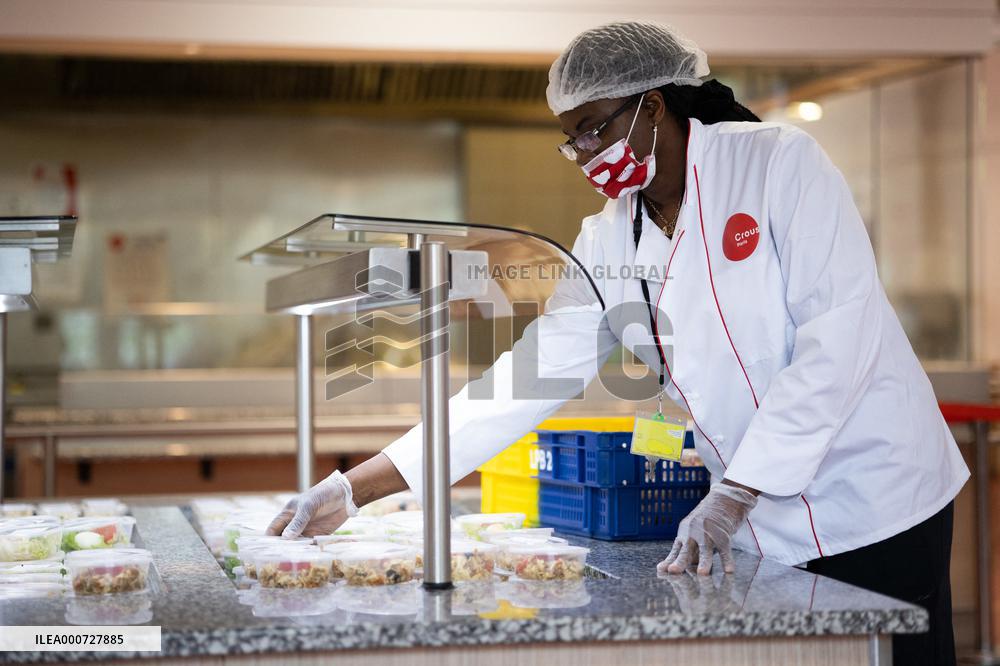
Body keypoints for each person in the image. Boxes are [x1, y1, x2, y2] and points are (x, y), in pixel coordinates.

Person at [267, 21, 968, 665]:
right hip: (763, 526)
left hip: (874, 495)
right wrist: (354, 488)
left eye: (594, 129)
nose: (584, 154)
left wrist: (736, 491)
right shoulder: (607, 237)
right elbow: (523, 381)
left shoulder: (778, 164)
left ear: (652, 106)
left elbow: (837, 340)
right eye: (571, 139)